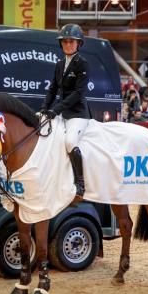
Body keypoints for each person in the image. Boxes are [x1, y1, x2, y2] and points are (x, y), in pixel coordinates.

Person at [41, 23, 89, 199]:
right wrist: (44, 108)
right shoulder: (60, 64)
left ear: (78, 43)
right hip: (62, 112)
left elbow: (78, 93)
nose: (68, 44)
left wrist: (56, 109)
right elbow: (52, 89)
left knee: (69, 142)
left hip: (78, 114)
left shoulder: (83, 64)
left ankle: (80, 183)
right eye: (65, 41)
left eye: (72, 41)